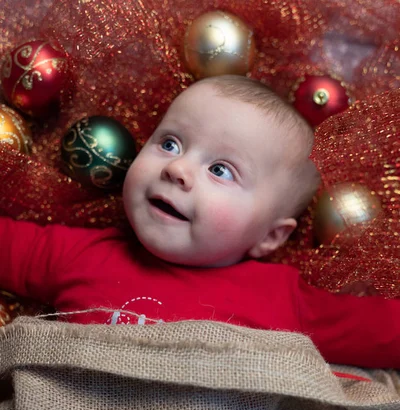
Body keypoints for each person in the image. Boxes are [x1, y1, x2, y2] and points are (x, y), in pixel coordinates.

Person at [0, 74, 398, 368]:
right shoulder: (81, 254)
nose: (177, 168)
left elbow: (384, 332)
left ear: (270, 236)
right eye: (170, 143)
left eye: (221, 170)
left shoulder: (284, 300)